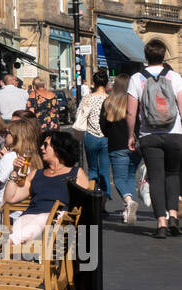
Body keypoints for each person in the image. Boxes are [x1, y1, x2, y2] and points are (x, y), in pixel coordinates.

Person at [126, 39, 182, 237]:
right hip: (174, 134)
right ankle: (174, 216)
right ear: (164, 56)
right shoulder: (175, 77)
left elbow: (131, 113)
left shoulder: (136, 79)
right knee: (173, 175)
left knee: (156, 178)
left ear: (146, 56)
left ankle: (161, 224)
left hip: (149, 136)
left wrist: (131, 135)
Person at [2, 132, 91, 245]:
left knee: (45, 218)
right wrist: (14, 170)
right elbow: (11, 198)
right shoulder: (36, 174)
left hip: (58, 221)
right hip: (30, 218)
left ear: (58, 148)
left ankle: (9, 242)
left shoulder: (76, 173)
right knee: (22, 223)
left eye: (46, 145)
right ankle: (15, 249)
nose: (41, 148)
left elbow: (86, 204)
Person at [101, 75, 139, 225]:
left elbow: (102, 125)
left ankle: (128, 202)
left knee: (118, 178)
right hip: (135, 144)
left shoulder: (109, 102)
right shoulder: (135, 101)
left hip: (116, 144)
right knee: (130, 177)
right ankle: (127, 210)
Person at [77, 68, 111, 197]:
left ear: (94, 83)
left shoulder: (88, 98)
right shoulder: (109, 98)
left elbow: (79, 115)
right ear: (107, 83)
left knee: (92, 169)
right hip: (106, 137)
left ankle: (92, 197)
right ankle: (104, 200)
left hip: (91, 136)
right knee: (105, 171)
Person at [0, 115, 42, 189]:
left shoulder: (10, 157)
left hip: (5, 199)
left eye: (7, 133)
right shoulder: (37, 157)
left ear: (16, 137)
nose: (5, 136)